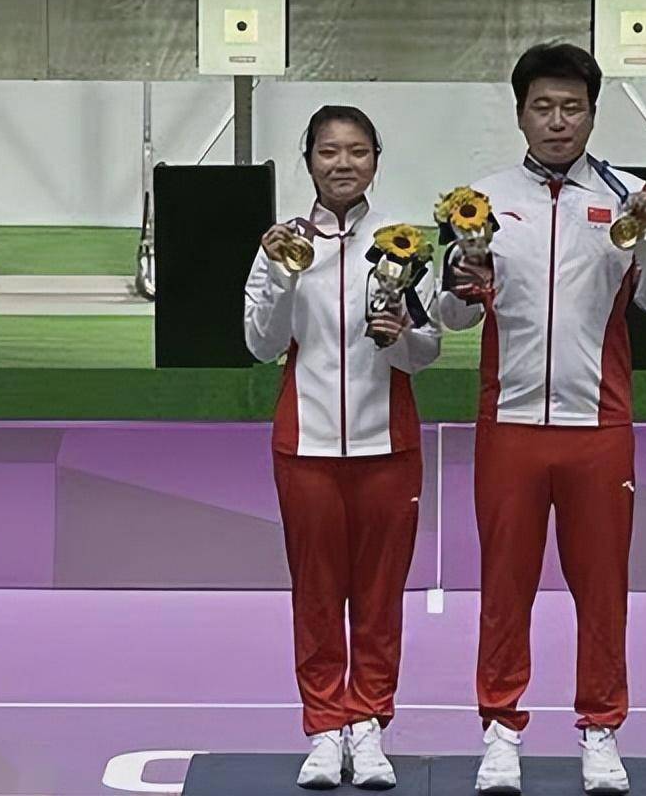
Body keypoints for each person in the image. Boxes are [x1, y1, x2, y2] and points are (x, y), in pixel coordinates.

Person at [439, 43, 646, 794]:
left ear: (592, 114)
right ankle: (500, 732)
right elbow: (453, 317)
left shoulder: (628, 197)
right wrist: (459, 278)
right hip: (509, 423)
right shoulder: (480, 202)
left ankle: (601, 731)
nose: (557, 121)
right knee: (503, 588)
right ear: (520, 114)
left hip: (599, 427)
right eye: (543, 107)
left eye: (571, 107)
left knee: (602, 589)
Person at [245, 105, 441, 790]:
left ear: (376, 161)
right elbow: (261, 344)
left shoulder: (402, 245)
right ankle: (325, 728)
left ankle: (369, 724)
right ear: (308, 162)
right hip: (306, 448)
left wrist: (402, 338)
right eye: (329, 151)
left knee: (380, 597)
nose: (343, 164)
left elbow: (427, 350)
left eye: (358, 151)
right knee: (317, 596)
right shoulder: (281, 245)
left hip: (389, 447)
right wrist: (281, 274)